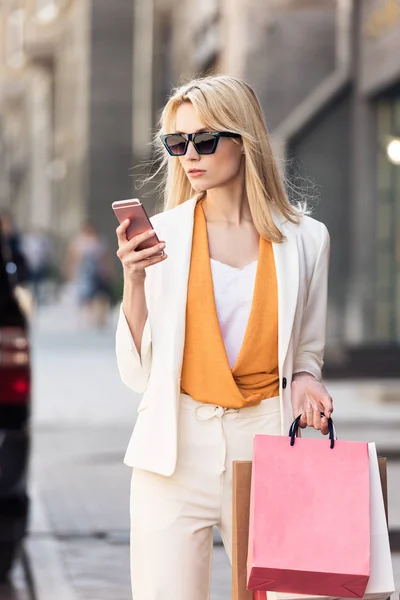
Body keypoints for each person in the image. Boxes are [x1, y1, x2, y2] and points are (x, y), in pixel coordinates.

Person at [115, 75, 333, 600]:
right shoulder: (160, 235)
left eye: (205, 140)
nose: (189, 155)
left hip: (268, 443)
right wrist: (134, 281)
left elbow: (307, 347)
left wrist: (307, 380)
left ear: (244, 139)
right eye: (177, 142)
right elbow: (137, 374)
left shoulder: (307, 237)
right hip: (173, 453)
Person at [65, 223, 115, 328]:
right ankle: (85, 317)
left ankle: (98, 318)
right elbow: (72, 258)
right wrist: (70, 271)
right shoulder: (79, 242)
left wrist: (108, 271)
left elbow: (105, 258)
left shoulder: (100, 242)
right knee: (84, 295)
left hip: (97, 273)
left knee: (99, 295)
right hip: (83, 274)